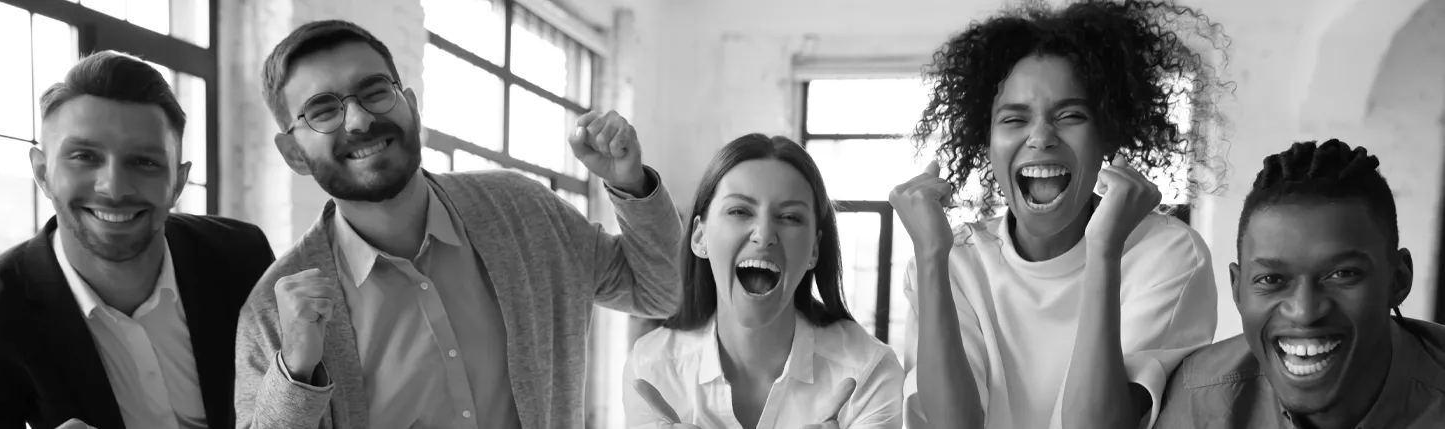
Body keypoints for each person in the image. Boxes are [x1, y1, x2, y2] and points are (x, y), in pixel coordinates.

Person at [233, 20, 683, 429]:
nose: (360, 119)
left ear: (410, 105)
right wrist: (294, 373)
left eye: (374, 92)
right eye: (323, 111)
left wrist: (631, 184)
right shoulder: (273, 313)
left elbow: (662, 291)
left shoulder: (523, 213)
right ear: (293, 153)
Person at [889, 1, 1231, 427]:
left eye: (1070, 115)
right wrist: (930, 259)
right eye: (1014, 119)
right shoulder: (952, 261)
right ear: (987, 142)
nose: (1040, 137)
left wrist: (1104, 251)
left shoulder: (1169, 254)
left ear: (1107, 132)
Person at [0, 51, 275, 429]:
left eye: (143, 161)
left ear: (177, 182)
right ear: (43, 173)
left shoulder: (242, 255)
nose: (114, 188)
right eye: (83, 156)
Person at [1155, 139, 1445, 428]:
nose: (1305, 313)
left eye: (1342, 274)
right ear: (1237, 289)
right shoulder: (1200, 399)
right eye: (1271, 280)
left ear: (1398, 280)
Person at [622, 134, 902, 429]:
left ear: (814, 250)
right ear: (699, 236)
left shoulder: (869, 370)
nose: (765, 234)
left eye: (791, 217)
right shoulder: (650, 368)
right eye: (740, 211)